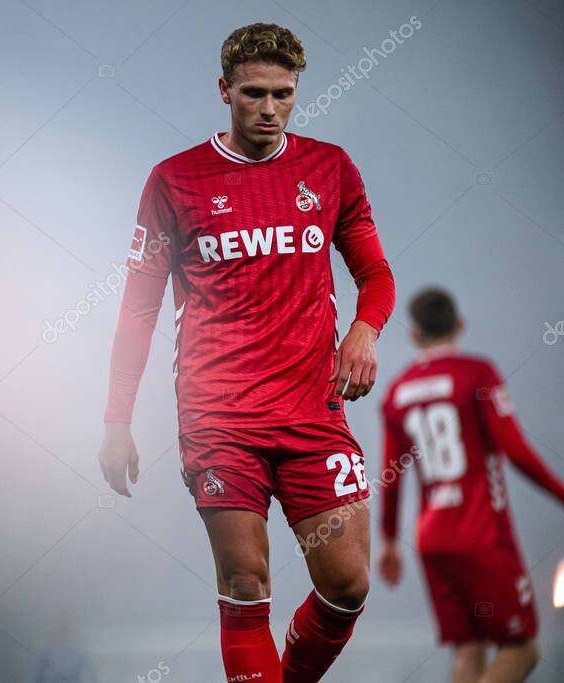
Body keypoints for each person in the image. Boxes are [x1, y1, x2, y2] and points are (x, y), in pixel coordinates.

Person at [98, 22, 395, 682]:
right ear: (224, 89)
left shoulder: (330, 168)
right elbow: (138, 309)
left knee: (347, 585)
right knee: (245, 578)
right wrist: (116, 420)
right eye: (254, 93)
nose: (268, 109)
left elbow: (376, 275)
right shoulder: (174, 181)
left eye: (283, 95)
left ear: (296, 93)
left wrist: (365, 330)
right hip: (219, 416)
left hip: (314, 413)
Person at [378, 287, 564, 682]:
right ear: (460, 323)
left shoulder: (397, 392)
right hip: (479, 534)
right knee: (522, 650)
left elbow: (391, 478)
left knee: (469, 647)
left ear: (414, 336)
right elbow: (516, 452)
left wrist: (390, 542)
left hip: (431, 539)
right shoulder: (478, 374)